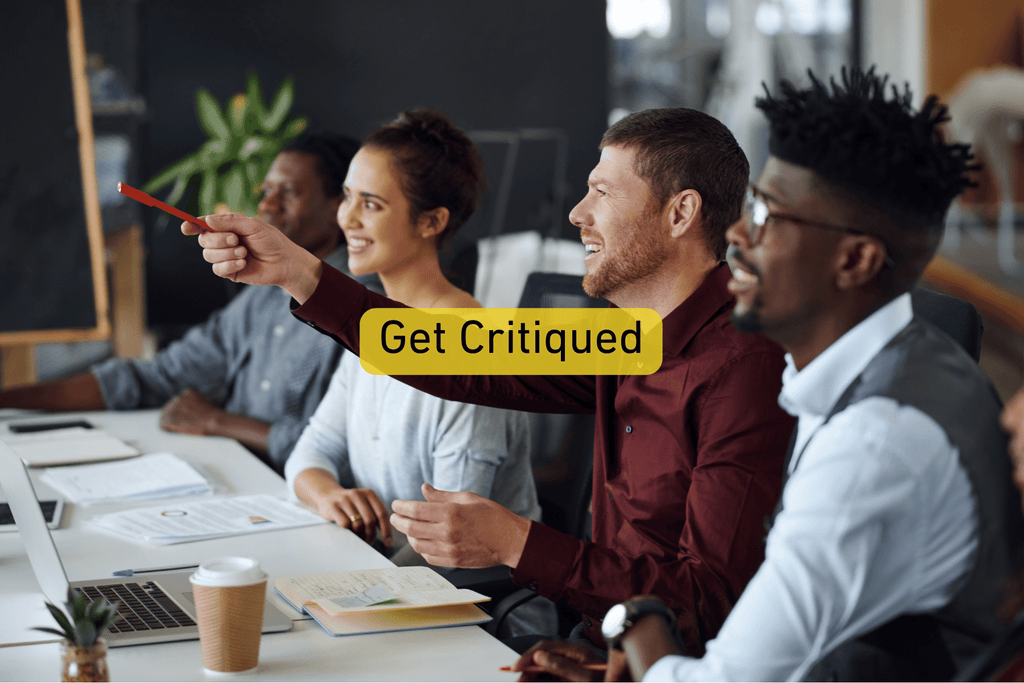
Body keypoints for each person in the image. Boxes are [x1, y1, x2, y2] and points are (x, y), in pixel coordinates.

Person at [183, 107, 795, 655]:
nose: (578, 215)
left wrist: (518, 542)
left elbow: (707, 600)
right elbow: (458, 354)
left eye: (602, 193)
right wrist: (298, 272)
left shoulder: (743, 368)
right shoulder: (628, 334)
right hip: (592, 648)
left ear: (680, 212)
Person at [535, 66, 1024, 683]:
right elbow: (463, 355)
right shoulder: (876, 371)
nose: (738, 232)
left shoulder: (871, 443)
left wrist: (637, 624)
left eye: (769, 216)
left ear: (854, 260)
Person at [0, 132, 378, 475]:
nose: (267, 204)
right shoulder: (261, 295)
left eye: (289, 192)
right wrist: (10, 400)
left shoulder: (364, 303)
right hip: (235, 476)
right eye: (267, 189)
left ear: (338, 207)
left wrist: (218, 422)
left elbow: (353, 452)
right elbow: (157, 378)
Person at [282, 109, 540, 565]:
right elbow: (311, 450)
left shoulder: (470, 351)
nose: (347, 218)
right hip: (386, 570)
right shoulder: (374, 325)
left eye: (371, 204)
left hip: (476, 608)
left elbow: (451, 542)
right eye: (347, 197)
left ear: (431, 222)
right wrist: (329, 497)